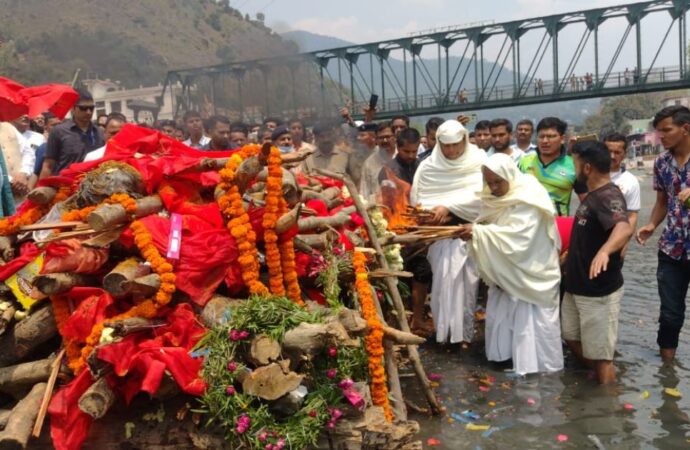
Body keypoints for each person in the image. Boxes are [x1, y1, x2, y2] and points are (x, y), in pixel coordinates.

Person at [458, 153, 563, 374]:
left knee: (532, 318)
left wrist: (478, 232)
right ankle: (505, 357)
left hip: (532, 270)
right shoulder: (493, 198)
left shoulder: (529, 196)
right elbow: (491, 222)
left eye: (498, 182)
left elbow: (520, 237)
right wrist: (477, 230)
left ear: (509, 176)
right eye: (490, 182)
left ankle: (538, 366)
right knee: (505, 309)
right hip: (507, 270)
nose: (494, 187)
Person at [562, 141, 632, 384]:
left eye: (575, 163)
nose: (574, 169)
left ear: (588, 167)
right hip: (577, 286)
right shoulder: (591, 195)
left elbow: (623, 228)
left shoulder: (608, 195)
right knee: (569, 335)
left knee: (602, 356)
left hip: (598, 290)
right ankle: (598, 378)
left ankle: (608, 406)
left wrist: (605, 251)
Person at [411, 119, 486, 344]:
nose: (451, 150)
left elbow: (484, 196)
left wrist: (450, 208)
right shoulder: (428, 167)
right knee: (442, 285)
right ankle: (443, 333)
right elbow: (419, 200)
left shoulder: (479, 160)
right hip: (439, 237)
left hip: (469, 233)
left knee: (468, 286)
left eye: (456, 145)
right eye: (446, 145)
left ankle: (464, 334)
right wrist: (433, 212)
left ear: (464, 140)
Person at [636, 106, 690, 363]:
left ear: (685, 129)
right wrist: (651, 225)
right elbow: (662, 200)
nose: (661, 137)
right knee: (670, 314)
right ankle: (667, 371)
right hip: (672, 247)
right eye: (658, 132)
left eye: (666, 131)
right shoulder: (661, 162)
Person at [518, 117, 586, 216]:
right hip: (526, 226)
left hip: (557, 226)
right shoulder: (524, 162)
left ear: (562, 139)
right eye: (541, 136)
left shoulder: (574, 166)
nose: (545, 141)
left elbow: (586, 202)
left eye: (550, 136)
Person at [40, 89, 104, 178]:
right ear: (73, 109)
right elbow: (48, 165)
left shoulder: (99, 132)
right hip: (66, 186)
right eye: (83, 108)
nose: (88, 112)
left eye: (91, 108)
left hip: (94, 185)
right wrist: (42, 187)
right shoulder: (59, 131)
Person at [604, 132, 640, 257]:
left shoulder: (631, 181)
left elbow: (632, 216)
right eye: (608, 151)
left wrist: (624, 243)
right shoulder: (590, 174)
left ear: (624, 154)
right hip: (589, 237)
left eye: (617, 152)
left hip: (615, 239)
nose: (612, 156)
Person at [360, 122, 395, 202]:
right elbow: (364, 192)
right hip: (377, 209)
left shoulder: (403, 158)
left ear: (395, 137)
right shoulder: (369, 163)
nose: (385, 140)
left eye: (388, 137)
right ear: (376, 140)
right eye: (381, 138)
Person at [30, 113, 61, 190]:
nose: (58, 128)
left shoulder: (70, 144)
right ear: (46, 127)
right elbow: (36, 173)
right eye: (54, 125)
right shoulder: (44, 148)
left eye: (60, 124)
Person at [347, 122, 377, 188]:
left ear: (373, 137)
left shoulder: (381, 154)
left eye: (362, 135)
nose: (358, 138)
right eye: (358, 135)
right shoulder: (353, 155)